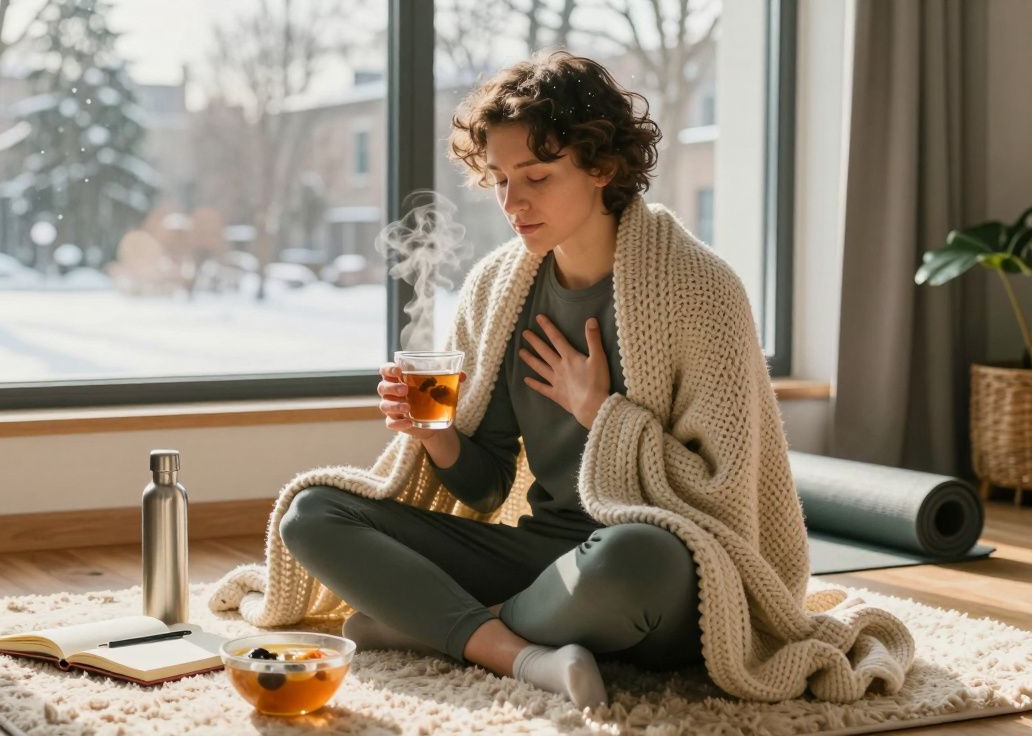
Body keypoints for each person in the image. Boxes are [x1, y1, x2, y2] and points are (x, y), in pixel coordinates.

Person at [210, 50, 913, 710]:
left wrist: (602, 412)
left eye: (537, 177)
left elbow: (722, 494)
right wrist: (438, 438)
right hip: (538, 557)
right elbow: (486, 485)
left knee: (634, 559)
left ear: (602, 164)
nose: (513, 202)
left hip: (656, 567)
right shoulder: (498, 288)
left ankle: (438, 623)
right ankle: (511, 649)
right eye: (501, 180)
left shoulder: (700, 289)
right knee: (314, 512)